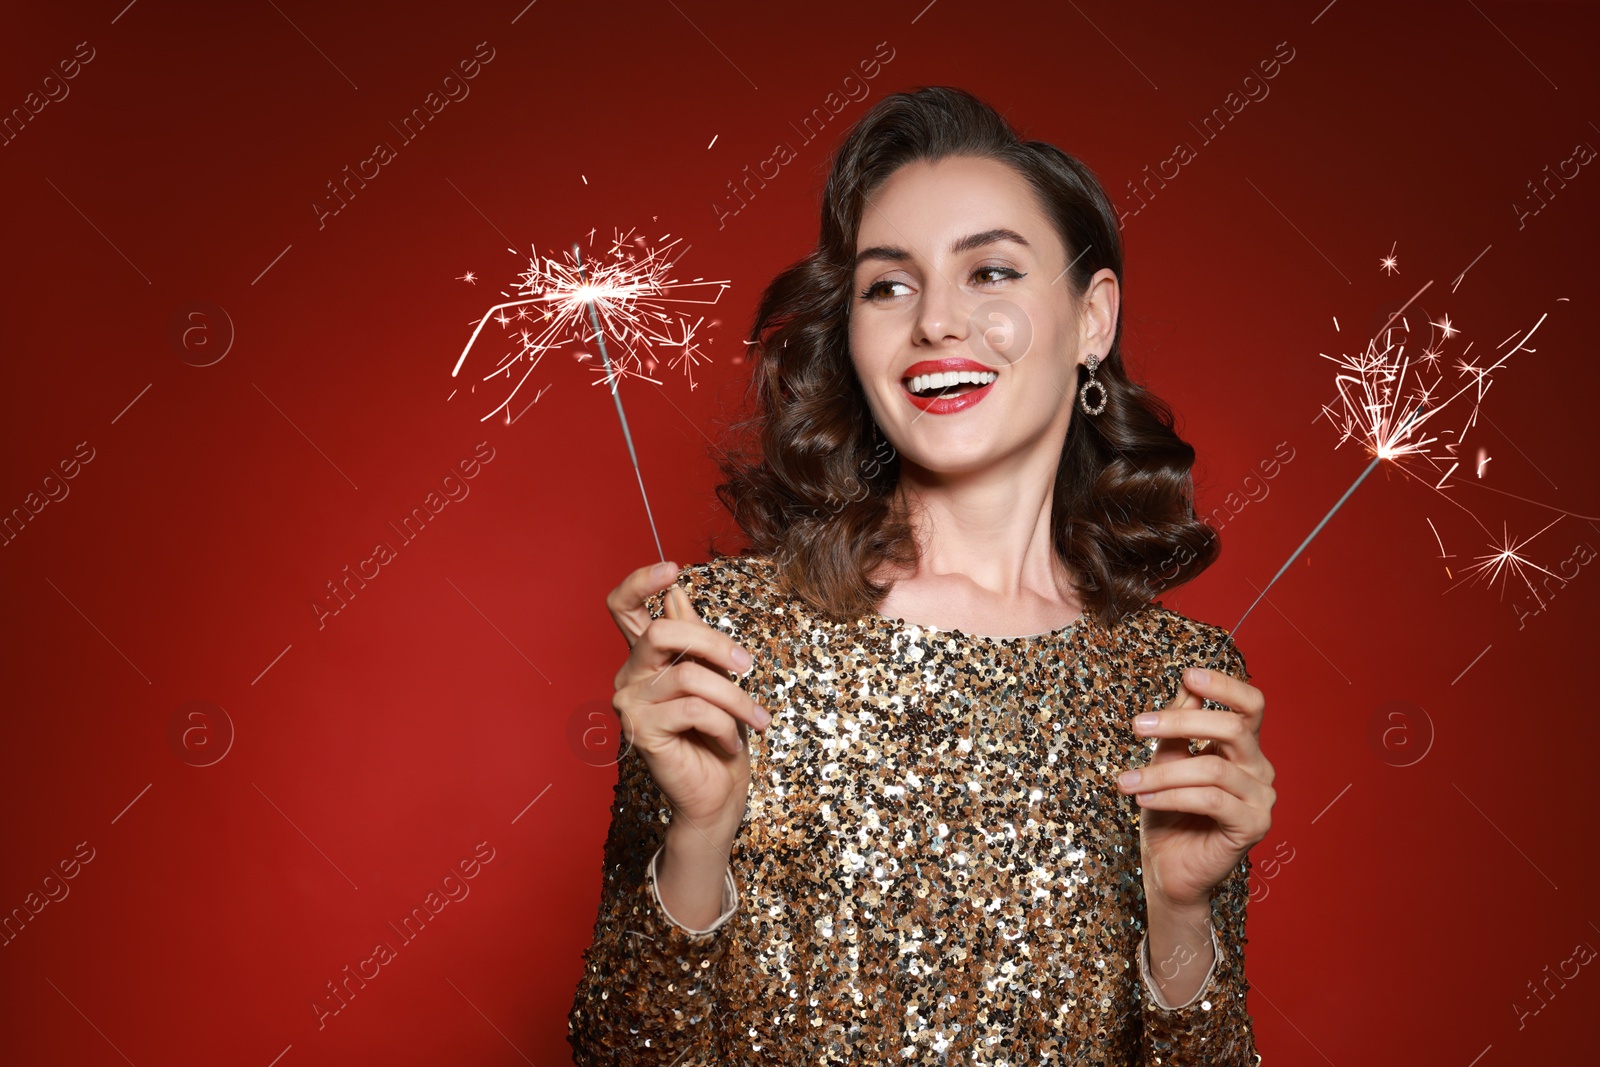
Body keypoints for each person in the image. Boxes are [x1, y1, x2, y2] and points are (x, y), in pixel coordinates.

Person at [568, 86, 1274, 1066]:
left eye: (990, 271)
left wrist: (1179, 912)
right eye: (887, 285)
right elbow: (621, 1051)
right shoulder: (716, 634)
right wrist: (696, 837)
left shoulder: (1178, 681)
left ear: (1090, 319)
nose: (937, 320)